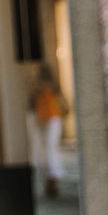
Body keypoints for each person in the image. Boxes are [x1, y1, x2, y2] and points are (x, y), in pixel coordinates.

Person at [29, 63, 68, 198]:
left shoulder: (36, 86)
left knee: (46, 148)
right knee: (50, 147)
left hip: (44, 117)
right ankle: (52, 177)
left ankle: (51, 177)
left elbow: (31, 103)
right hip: (51, 117)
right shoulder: (53, 85)